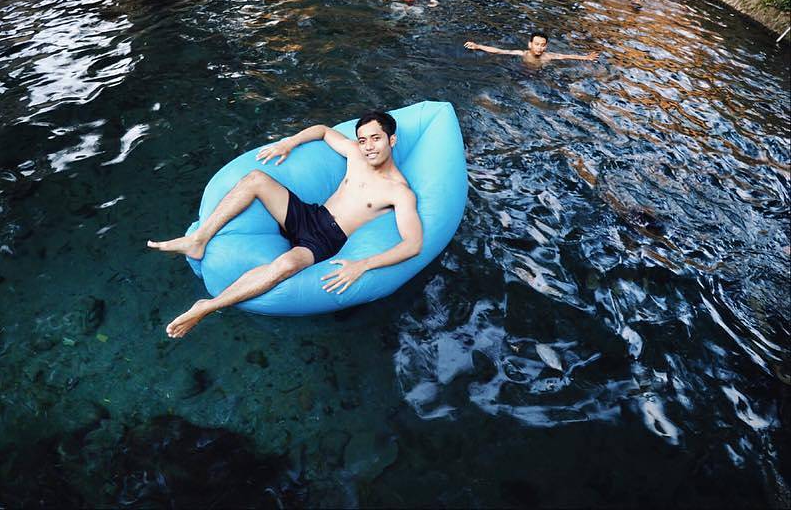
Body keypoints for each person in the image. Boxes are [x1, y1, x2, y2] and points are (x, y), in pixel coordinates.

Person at [149, 111, 423, 338]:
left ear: (392, 140)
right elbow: (323, 130)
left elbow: (413, 245)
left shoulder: (399, 191)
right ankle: (199, 239)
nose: (368, 146)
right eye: (363, 140)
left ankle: (207, 307)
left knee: (287, 265)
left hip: (327, 240)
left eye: (376, 139)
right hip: (310, 215)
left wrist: (362, 264)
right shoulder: (355, 155)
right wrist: (289, 142)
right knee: (255, 178)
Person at [463, 31, 598, 65]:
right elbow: (500, 50)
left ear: (546, 46)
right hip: (522, 70)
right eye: (536, 44)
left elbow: (567, 56)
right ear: (530, 44)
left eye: (542, 45)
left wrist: (586, 58)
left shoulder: (549, 56)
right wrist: (478, 46)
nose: (539, 48)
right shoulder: (523, 53)